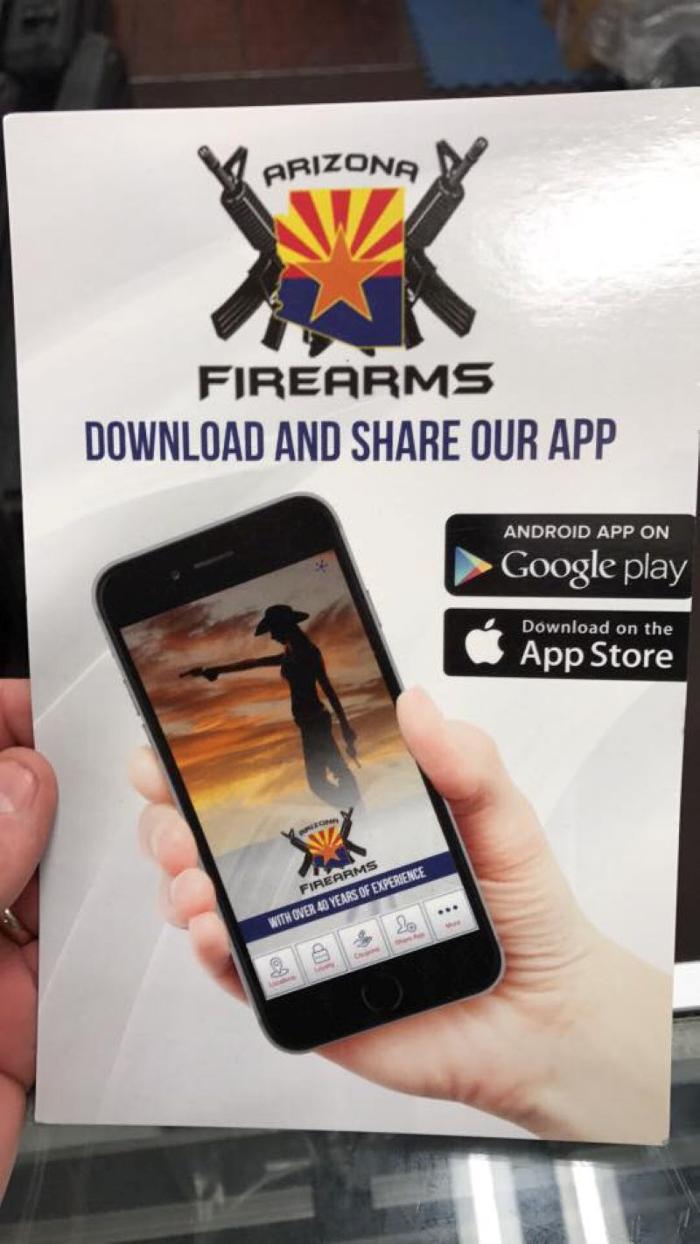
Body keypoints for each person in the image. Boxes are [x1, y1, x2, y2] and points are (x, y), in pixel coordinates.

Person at [0, 680, 671, 1200]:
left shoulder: (302, 665)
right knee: (264, 820)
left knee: (325, 801)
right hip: (312, 741)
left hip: (318, 737)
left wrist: (558, 1023)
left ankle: (345, 834)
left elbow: (311, 688)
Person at [182, 604, 360, 810]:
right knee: (329, 777)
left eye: (274, 630)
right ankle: (354, 810)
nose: (272, 636)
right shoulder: (290, 653)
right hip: (309, 724)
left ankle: (355, 811)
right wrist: (214, 670)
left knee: (323, 780)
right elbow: (254, 662)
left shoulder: (308, 652)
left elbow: (328, 690)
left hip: (315, 724)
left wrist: (345, 727)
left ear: (285, 626)